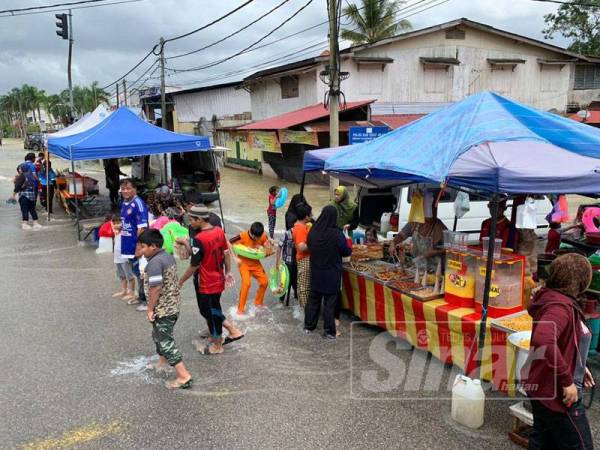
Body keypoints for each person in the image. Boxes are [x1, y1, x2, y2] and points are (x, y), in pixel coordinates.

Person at [522, 253, 595, 450]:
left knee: (543, 441)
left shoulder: (553, 298)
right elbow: (543, 339)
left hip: (542, 385)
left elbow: (566, 339)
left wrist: (579, 364)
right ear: (579, 281)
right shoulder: (559, 306)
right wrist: (567, 380)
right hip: (556, 393)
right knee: (581, 445)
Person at [178, 205, 243, 355]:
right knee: (213, 308)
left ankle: (217, 344)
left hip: (205, 281)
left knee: (211, 311)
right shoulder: (219, 231)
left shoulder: (199, 238)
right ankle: (221, 334)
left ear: (200, 219)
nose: (190, 223)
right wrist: (228, 272)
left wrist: (181, 281)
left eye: (191, 220)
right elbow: (226, 253)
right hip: (218, 278)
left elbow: (194, 265)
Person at [138, 229, 192, 390]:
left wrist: (149, 309)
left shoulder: (155, 262)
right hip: (172, 306)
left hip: (164, 309)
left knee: (165, 341)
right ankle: (162, 362)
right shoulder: (166, 256)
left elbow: (156, 287)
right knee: (158, 335)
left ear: (153, 246)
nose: (141, 250)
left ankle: (184, 376)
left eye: (143, 247)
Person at [305, 205, 352, 339]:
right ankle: (329, 332)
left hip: (316, 271)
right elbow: (346, 251)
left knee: (313, 300)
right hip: (331, 274)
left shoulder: (313, 230)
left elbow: (309, 245)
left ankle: (308, 326)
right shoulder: (336, 234)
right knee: (329, 304)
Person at [389, 193, 447, 261]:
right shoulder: (415, 222)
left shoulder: (440, 226)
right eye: (430, 210)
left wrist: (432, 253)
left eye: (434, 209)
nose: (433, 213)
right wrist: (393, 243)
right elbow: (401, 235)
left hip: (432, 267)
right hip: (415, 264)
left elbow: (447, 249)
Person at [119, 178, 149, 311]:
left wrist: (138, 247)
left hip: (137, 245)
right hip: (127, 244)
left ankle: (146, 300)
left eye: (128, 188)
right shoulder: (124, 202)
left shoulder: (138, 203)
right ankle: (140, 295)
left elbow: (142, 228)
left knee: (142, 272)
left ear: (135, 189)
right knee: (136, 272)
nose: (125, 191)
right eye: (123, 189)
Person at [232, 222, 271, 315]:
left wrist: (263, 247)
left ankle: (258, 302)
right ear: (250, 231)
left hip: (255, 263)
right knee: (246, 284)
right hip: (243, 263)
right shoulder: (242, 235)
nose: (257, 239)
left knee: (265, 282)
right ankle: (240, 309)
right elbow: (229, 243)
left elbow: (268, 250)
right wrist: (234, 257)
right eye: (255, 237)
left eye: (259, 237)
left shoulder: (263, 236)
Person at [111, 217, 136, 302]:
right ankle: (124, 290)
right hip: (117, 258)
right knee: (121, 276)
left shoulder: (125, 232)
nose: (116, 225)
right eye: (114, 223)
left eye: (118, 223)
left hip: (124, 258)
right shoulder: (115, 233)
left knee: (129, 276)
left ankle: (132, 292)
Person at [11, 159, 41, 230]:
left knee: (24, 209)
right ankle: (36, 223)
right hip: (32, 195)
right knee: (32, 210)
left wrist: (13, 195)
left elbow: (17, 186)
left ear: (23, 169)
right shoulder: (32, 175)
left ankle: (25, 224)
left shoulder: (22, 176)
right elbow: (36, 183)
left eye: (21, 168)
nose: (20, 169)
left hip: (24, 195)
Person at [293, 203, 312, 309]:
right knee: (304, 287)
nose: (312, 215)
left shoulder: (300, 226)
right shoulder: (300, 228)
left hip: (302, 259)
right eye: (310, 214)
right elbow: (301, 247)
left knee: (303, 285)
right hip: (304, 259)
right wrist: (314, 243)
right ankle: (307, 313)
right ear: (306, 217)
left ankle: (304, 311)